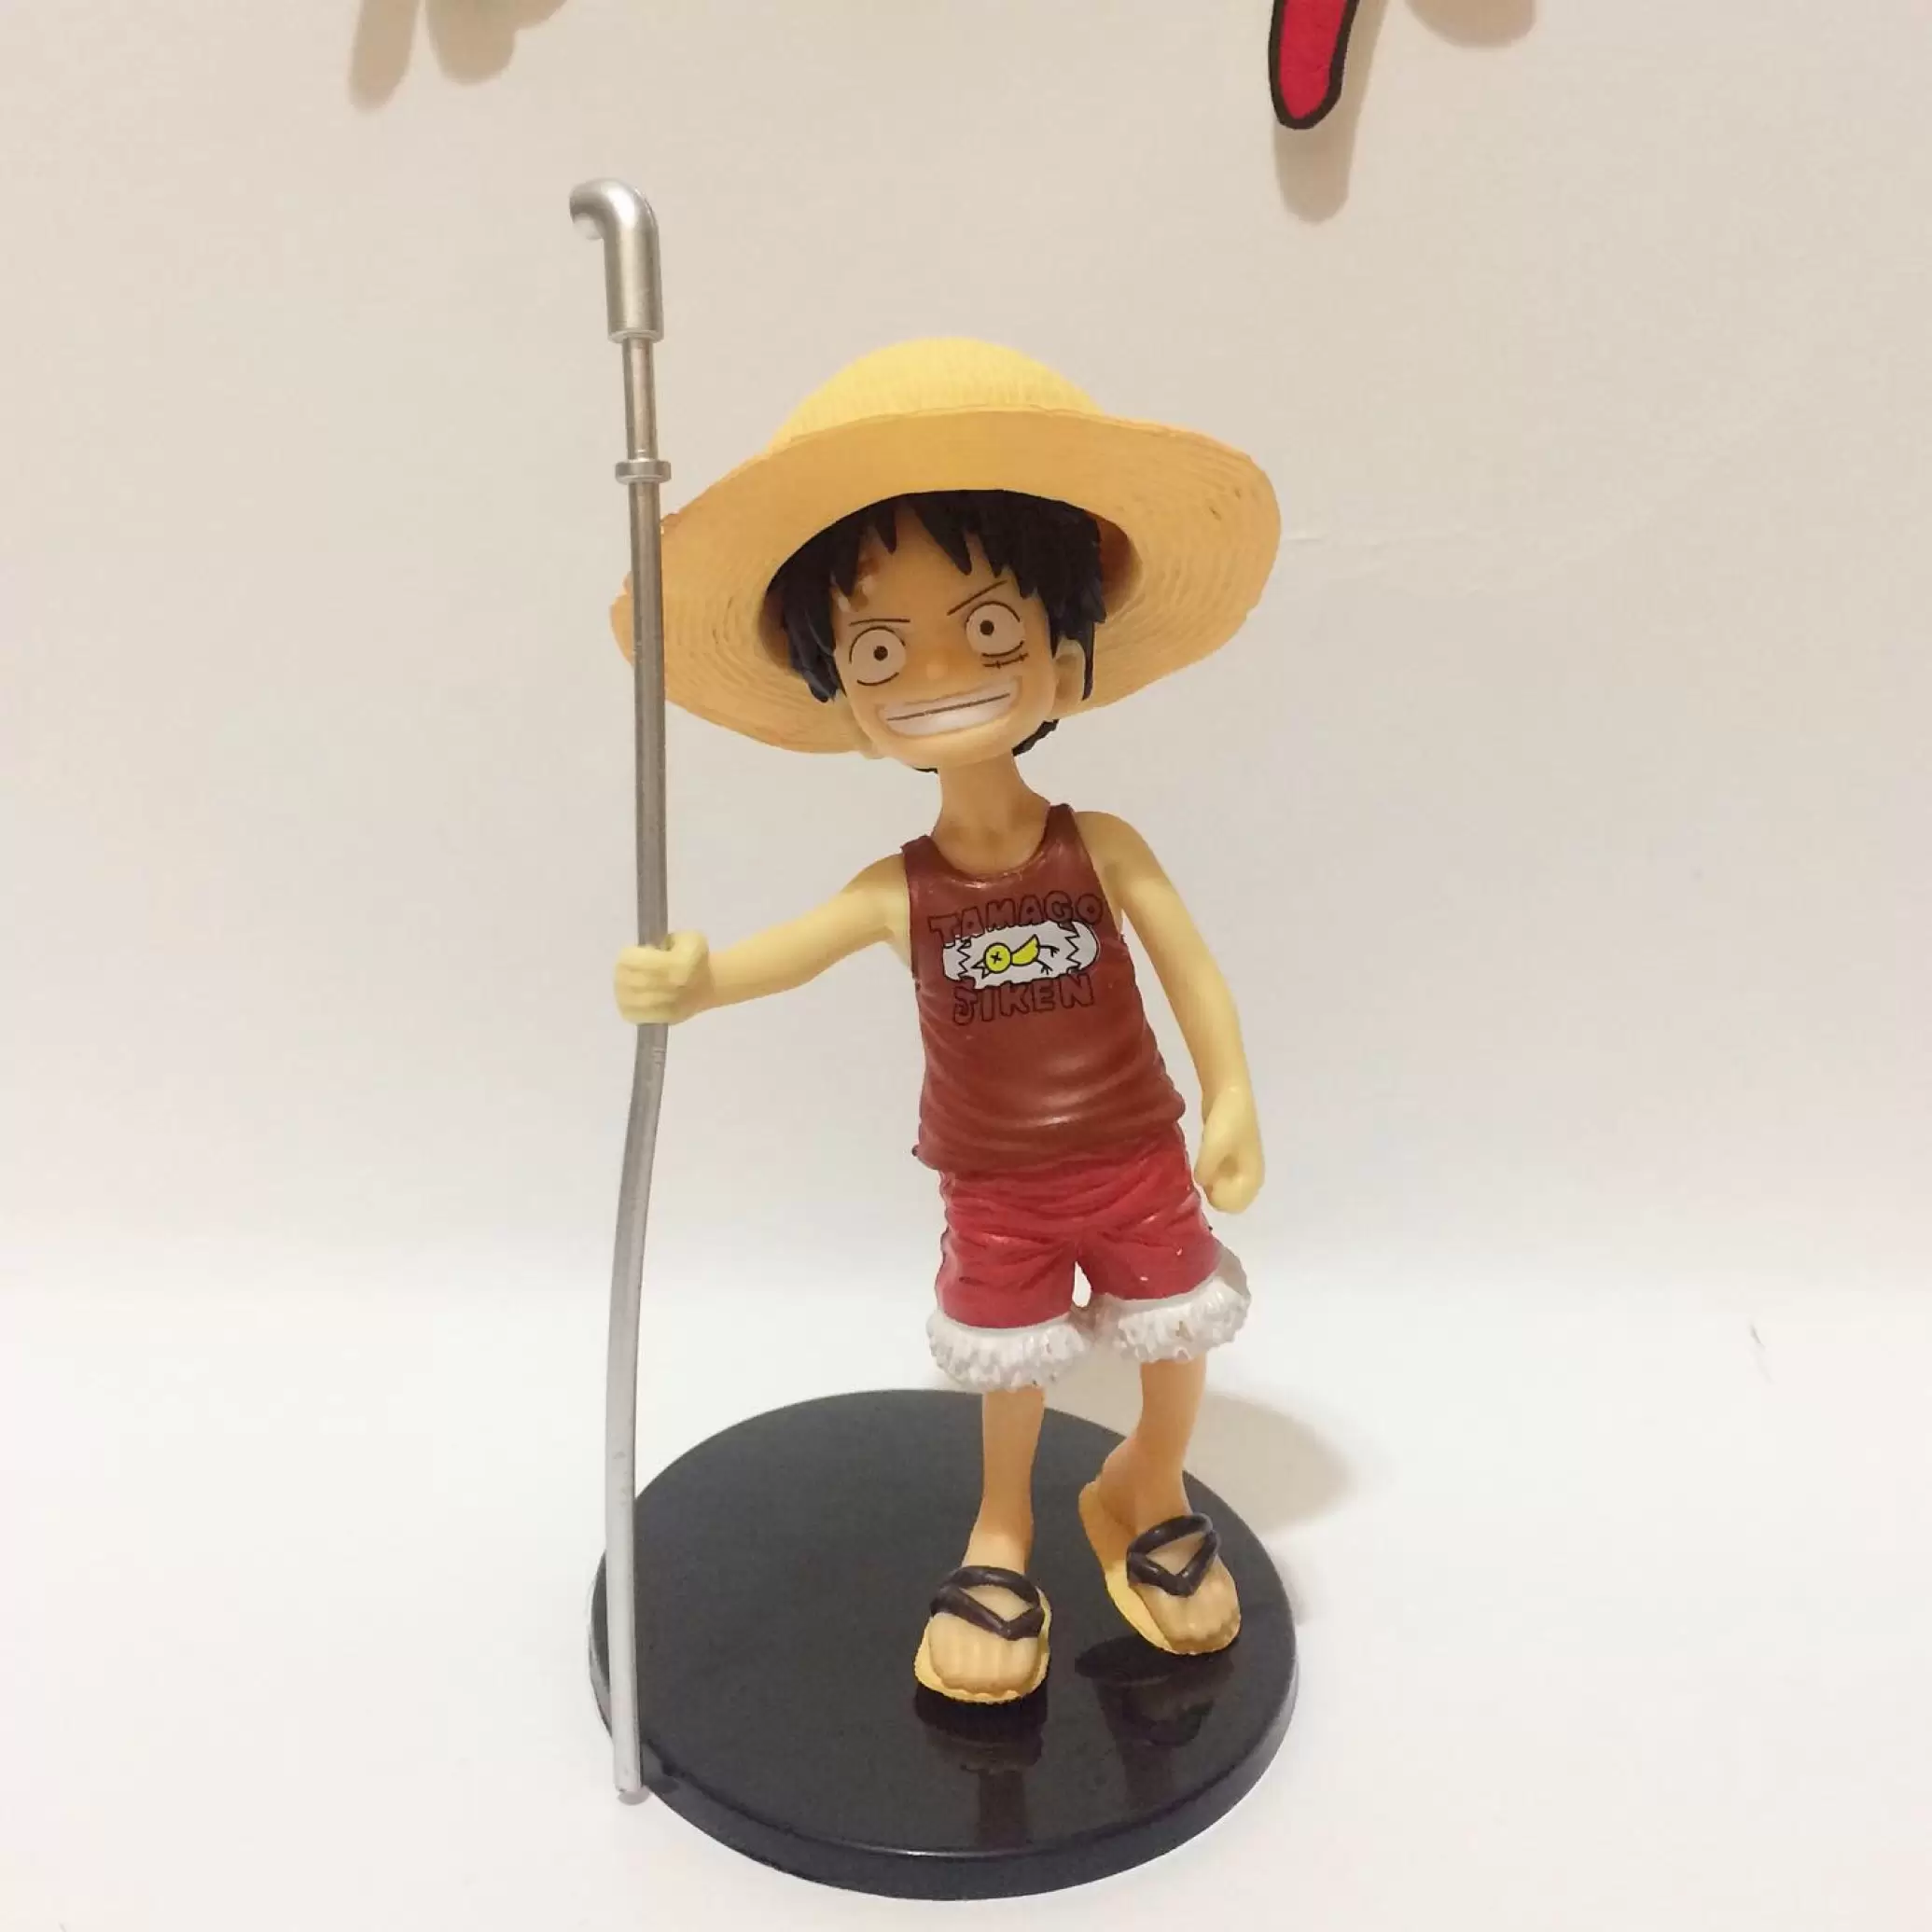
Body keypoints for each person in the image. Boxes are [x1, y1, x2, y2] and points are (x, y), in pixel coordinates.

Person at [611, 340, 1279, 1703]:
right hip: (994, 1185)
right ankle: (1002, 1530)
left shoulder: (1102, 847)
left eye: (989, 631)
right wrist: (695, 977)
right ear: (849, 705)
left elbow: (1193, 975)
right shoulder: (896, 891)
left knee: (1177, 1327)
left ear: (1064, 653)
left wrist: (1231, 1098)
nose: (935, 672)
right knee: (1008, 1365)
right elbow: (783, 956)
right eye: (876, 649)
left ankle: (1147, 1482)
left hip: (1138, 1155)